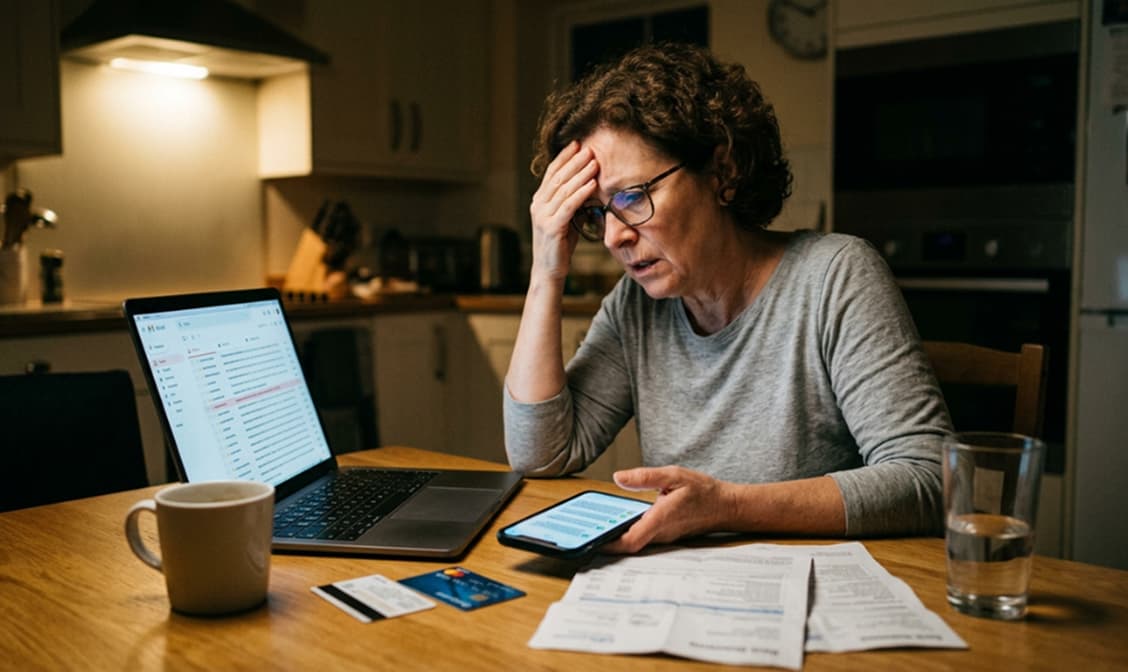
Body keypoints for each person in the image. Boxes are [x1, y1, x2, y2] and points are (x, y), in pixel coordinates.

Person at [504, 43, 951, 553]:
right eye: (597, 213)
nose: (613, 238)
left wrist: (727, 506)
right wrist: (546, 271)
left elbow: (929, 479)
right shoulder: (636, 306)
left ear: (723, 172)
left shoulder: (835, 276)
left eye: (631, 197)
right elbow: (540, 454)